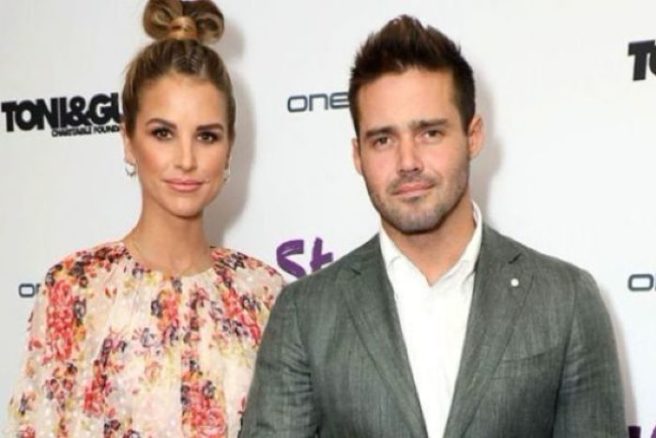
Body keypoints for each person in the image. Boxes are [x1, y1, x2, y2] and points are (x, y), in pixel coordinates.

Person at [241, 15, 625, 438]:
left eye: (430, 133)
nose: (408, 162)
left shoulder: (565, 301)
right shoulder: (306, 313)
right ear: (357, 155)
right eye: (383, 140)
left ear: (473, 135)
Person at [6, 1, 282, 437]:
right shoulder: (75, 290)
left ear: (229, 146)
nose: (186, 159)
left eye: (206, 136)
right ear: (128, 140)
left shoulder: (264, 294)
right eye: (163, 133)